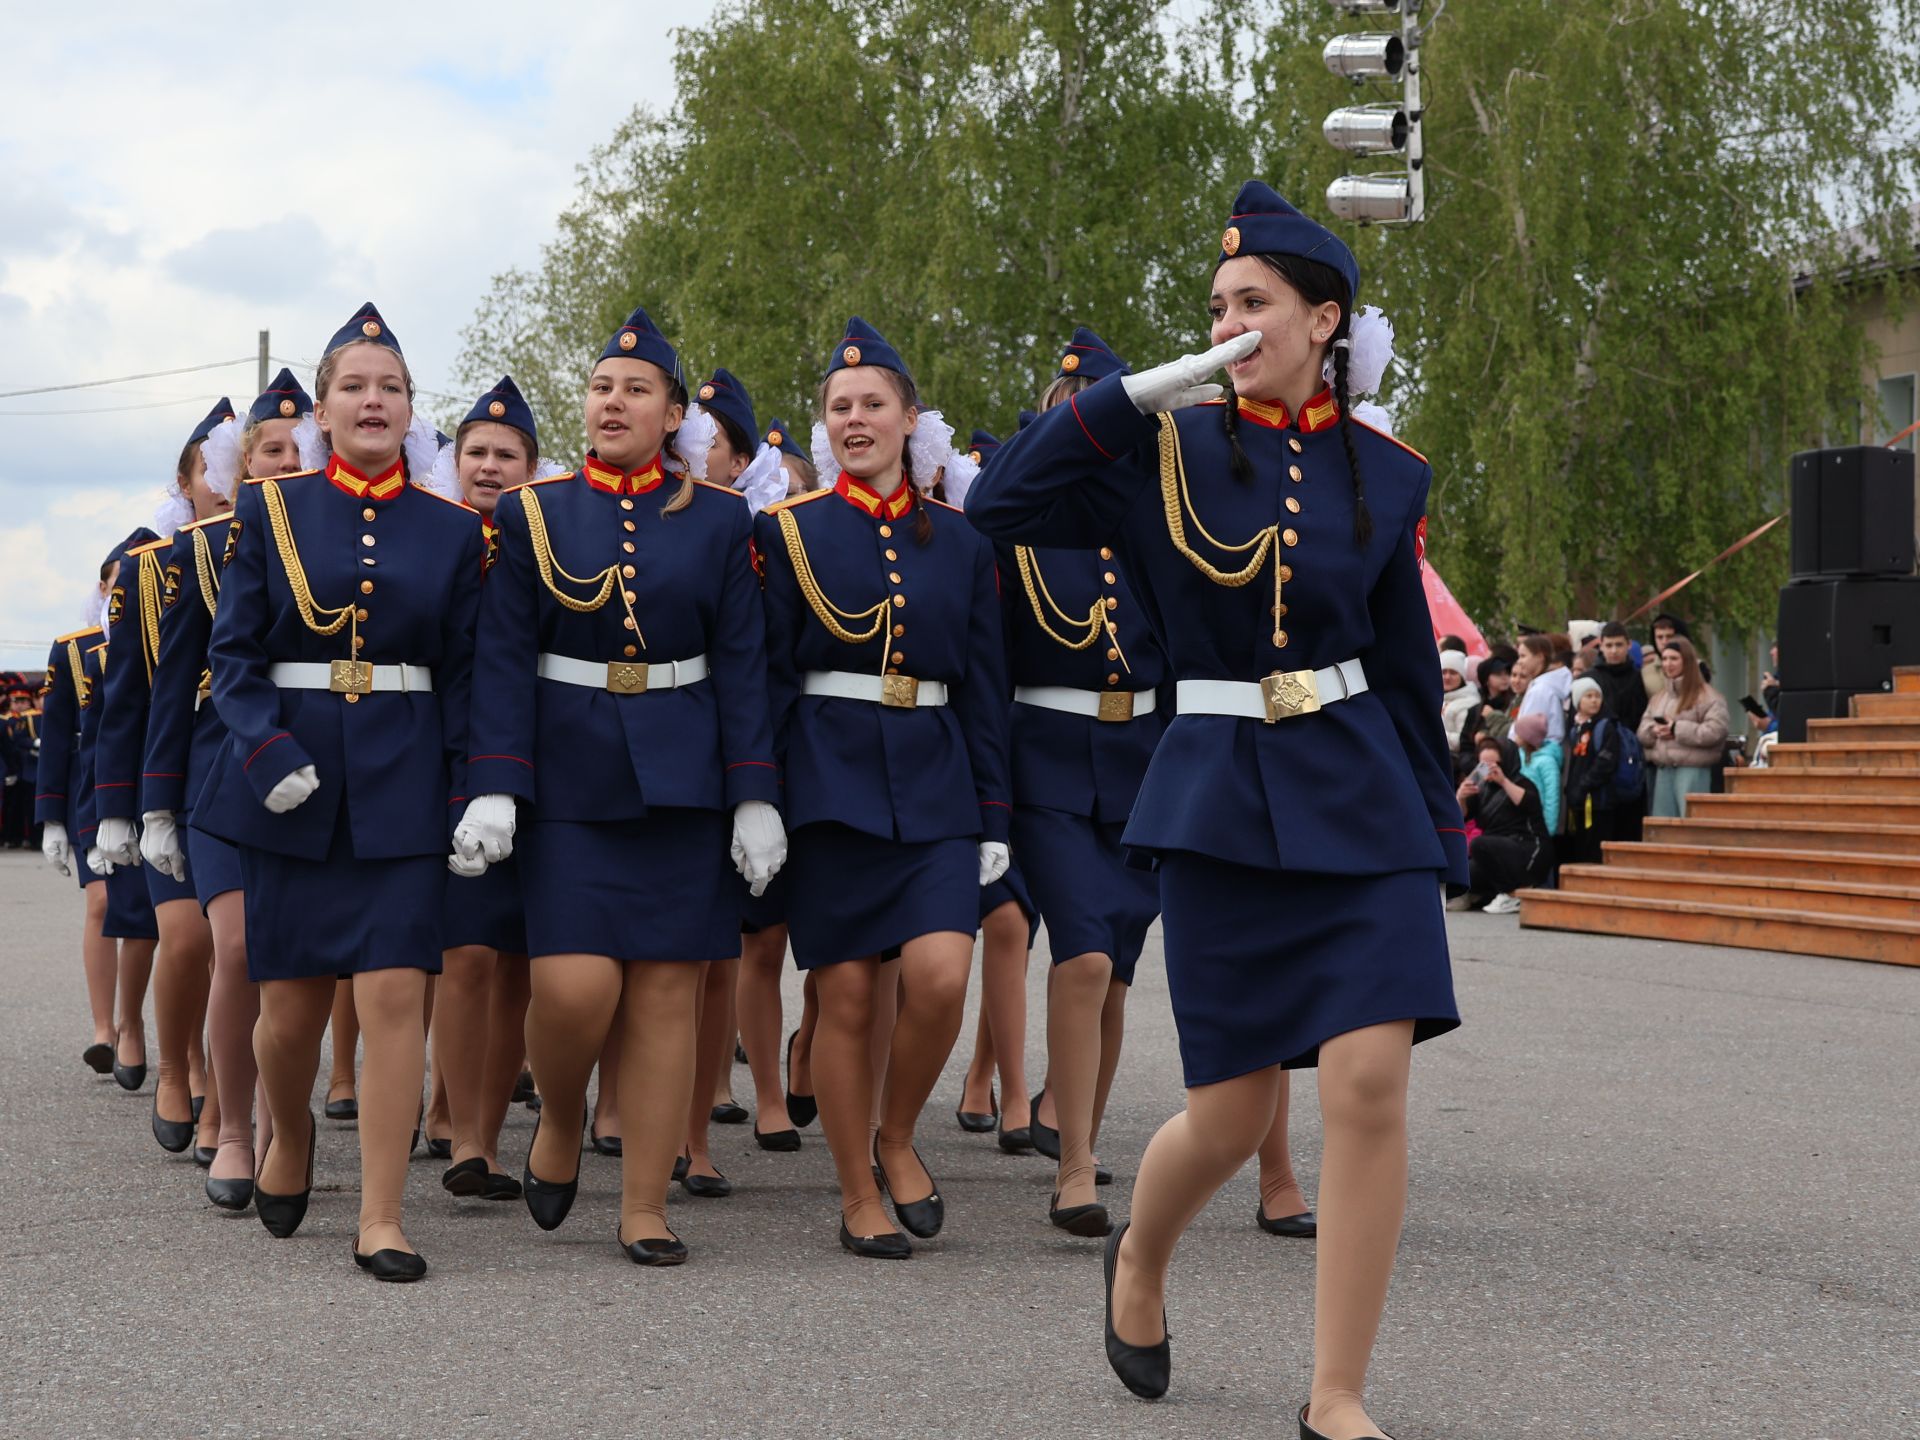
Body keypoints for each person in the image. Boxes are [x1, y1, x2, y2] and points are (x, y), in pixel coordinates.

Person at [967, 182, 1462, 1439]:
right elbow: (999, 506)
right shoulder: (1160, 451)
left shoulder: (1387, 471)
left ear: (1323, 319)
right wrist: (1140, 392)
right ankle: (1139, 1254)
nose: (1233, 325)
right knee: (1237, 1116)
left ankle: (1337, 1392)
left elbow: (1404, 662)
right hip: (1219, 794)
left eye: (1255, 305)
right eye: (1217, 308)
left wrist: (1438, 831)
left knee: (1366, 1086)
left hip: (1359, 790)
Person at [457, 306, 784, 1268]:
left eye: (636, 389)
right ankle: (560, 1116)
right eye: (602, 386)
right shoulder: (535, 513)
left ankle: (645, 1202)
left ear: (673, 413)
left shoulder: (724, 520)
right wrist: (496, 785)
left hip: (683, 781)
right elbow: (505, 656)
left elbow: (743, 661)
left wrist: (754, 792)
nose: (613, 401)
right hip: (568, 780)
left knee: (665, 999)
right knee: (571, 988)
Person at [193, 303, 485, 1281]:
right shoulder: (271, 510)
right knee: (288, 1017)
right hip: (290, 781)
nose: (372, 400)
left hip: (404, 780)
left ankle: (382, 1215)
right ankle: (287, 1132)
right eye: (354, 386)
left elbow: (466, 676)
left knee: (396, 993)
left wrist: (471, 791)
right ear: (322, 409)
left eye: (390, 387)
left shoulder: (452, 531)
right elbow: (231, 660)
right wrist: (263, 752)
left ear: (411, 410)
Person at [755, 317, 1011, 1259]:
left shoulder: (960, 541)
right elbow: (768, 679)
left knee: (941, 977)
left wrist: (994, 815)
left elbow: (985, 689)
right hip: (827, 781)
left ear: (910, 417)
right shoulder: (787, 534)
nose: (855, 420)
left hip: (937, 777)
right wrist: (762, 801)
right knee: (849, 995)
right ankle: (857, 1187)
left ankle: (899, 1133)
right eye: (839, 408)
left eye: (873, 405)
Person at [981, 327, 1171, 1235]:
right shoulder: (1018, 529)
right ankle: (1076, 1172)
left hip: (1142, 766)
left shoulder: (1156, 528)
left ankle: (1076, 1121)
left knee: (1118, 973)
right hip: (1048, 763)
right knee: (1084, 953)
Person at [139, 373, 307, 1204]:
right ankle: (234, 1127)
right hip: (221, 777)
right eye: (270, 451)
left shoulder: (344, 536)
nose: (286, 461)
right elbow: (172, 687)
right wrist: (153, 804)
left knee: (298, 963)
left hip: (317, 772)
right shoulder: (202, 550)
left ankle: (282, 1128)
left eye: (297, 448)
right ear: (240, 467)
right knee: (237, 948)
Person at [94, 397, 234, 1160]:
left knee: (236, 947)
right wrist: (119, 805)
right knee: (184, 939)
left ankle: (223, 1091)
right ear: (186, 483)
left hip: (240, 772)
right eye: (208, 468)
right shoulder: (149, 572)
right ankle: (179, 1067)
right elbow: (129, 698)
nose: (224, 479)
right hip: (169, 777)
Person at [425, 377, 546, 1204]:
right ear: (454, 462)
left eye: (507, 455)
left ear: (532, 469)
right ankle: (463, 1131)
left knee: (518, 963)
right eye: (478, 453)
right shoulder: (428, 538)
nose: (491, 466)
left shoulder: (551, 540)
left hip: (540, 766)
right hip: (438, 763)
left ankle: (484, 1131)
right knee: (463, 954)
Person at [1449, 737, 1551, 910]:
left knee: (1479, 843)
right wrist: (1460, 797)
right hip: (1496, 849)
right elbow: (1461, 817)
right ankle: (1490, 893)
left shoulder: (1523, 783)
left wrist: (1503, 781)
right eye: (1483, 765)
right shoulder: (1482, 789)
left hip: (1528, 848)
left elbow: (1529, 803)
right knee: (1463, 873)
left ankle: (1513, 894)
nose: (1489, 769)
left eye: (1494, 764)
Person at [1638, 635, 1728, 818]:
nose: (1668, 664)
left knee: (1691, 827)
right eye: (1664, 659)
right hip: (1663, 770)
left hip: (1693, 770)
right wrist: (1654, 731)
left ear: (1686, 661)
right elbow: (1642, 729)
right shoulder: (1659, 697)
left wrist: (1676, 729)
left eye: (1674, 658)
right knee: (1663, 830)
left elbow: (1715, 731)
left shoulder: (1709, 697)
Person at [1560, 676, 1620, 867]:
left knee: (1596, 849)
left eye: (1597, 696)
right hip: (1578, 800)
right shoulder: (1574, 729)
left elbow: (1605, 762)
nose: (1594, 700)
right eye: (1588, 696)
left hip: (1598, 801)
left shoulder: (1605, 726)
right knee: (1580, 848)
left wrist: (1585, 783)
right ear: (1578, 701)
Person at [1512, 633, 1570, 746]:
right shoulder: (1543, 686)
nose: (1519, 661)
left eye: (1523, 656)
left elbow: (1528, 733)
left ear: (1539, 657)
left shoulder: (1541, 690)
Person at [1438, 648, 1480, 751]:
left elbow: (1462, 741)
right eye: (1443, 672)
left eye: (1453, 672)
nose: (1447, 677)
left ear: (1462, 676)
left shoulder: (1470, 703)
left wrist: (1433, 733)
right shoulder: (1438, 698)